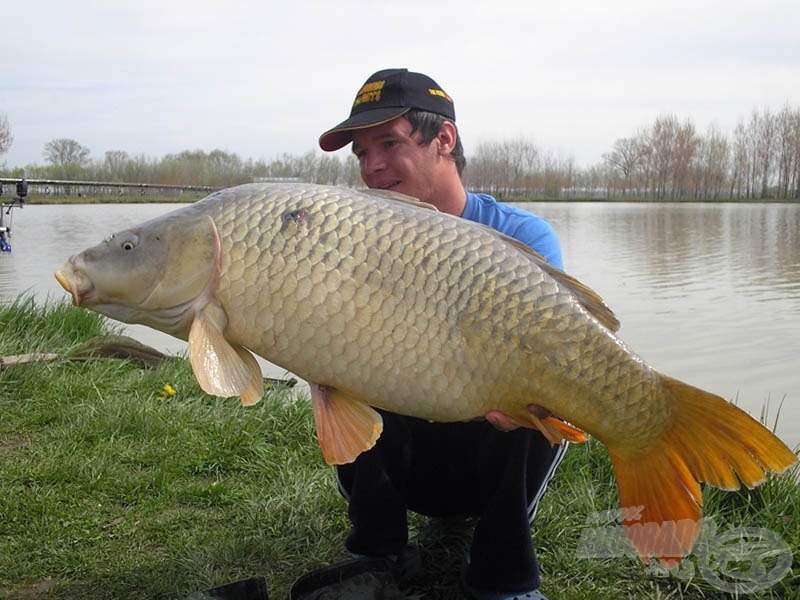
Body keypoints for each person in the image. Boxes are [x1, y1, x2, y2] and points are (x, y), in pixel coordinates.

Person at [315, 68, 567, 600]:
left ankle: (502, 576)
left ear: (444, 140)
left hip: (490, 451)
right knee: (344, 361)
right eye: (361, 154)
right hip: (402, 460)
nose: (373, 166)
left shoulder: (522, 236)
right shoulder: (353, 242)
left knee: (540, 392)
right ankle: (377, 554)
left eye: (388, 142)